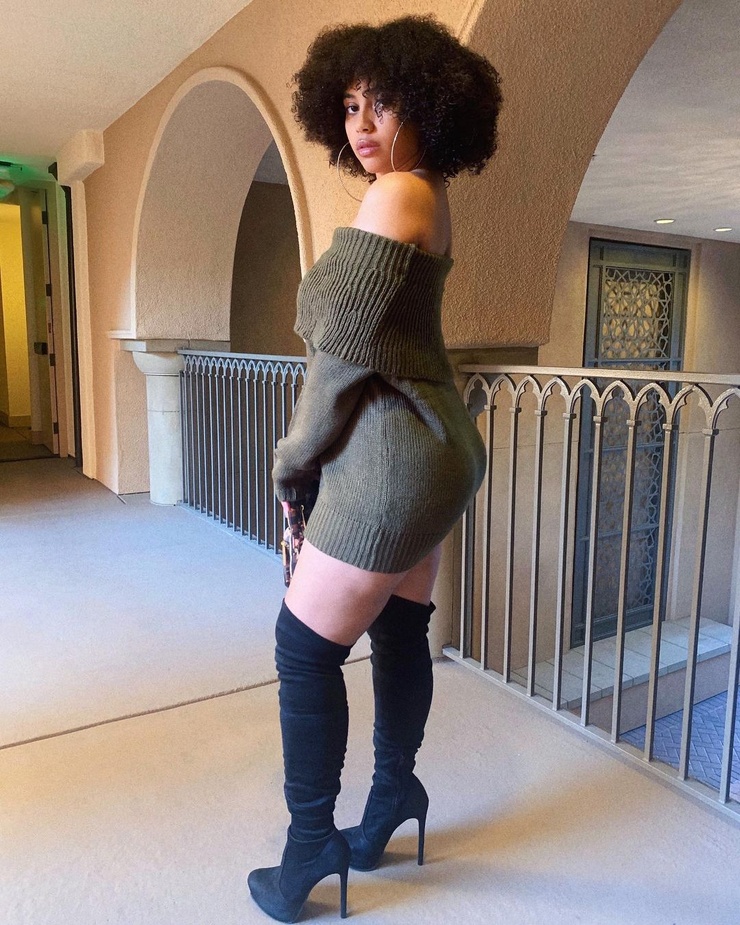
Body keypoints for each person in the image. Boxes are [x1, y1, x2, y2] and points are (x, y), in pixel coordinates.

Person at [248, 15, 502, 922]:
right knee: (399, 629)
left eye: (381, 102)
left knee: (303, 645)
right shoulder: (427, 191)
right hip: (434, 447)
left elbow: (342, 359)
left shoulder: (396, 194)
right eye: (350, 105)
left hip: (395, 458)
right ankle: (395, 791)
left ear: (427, 103)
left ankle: (308, 845)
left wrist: (292, 459)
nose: (361, 124)